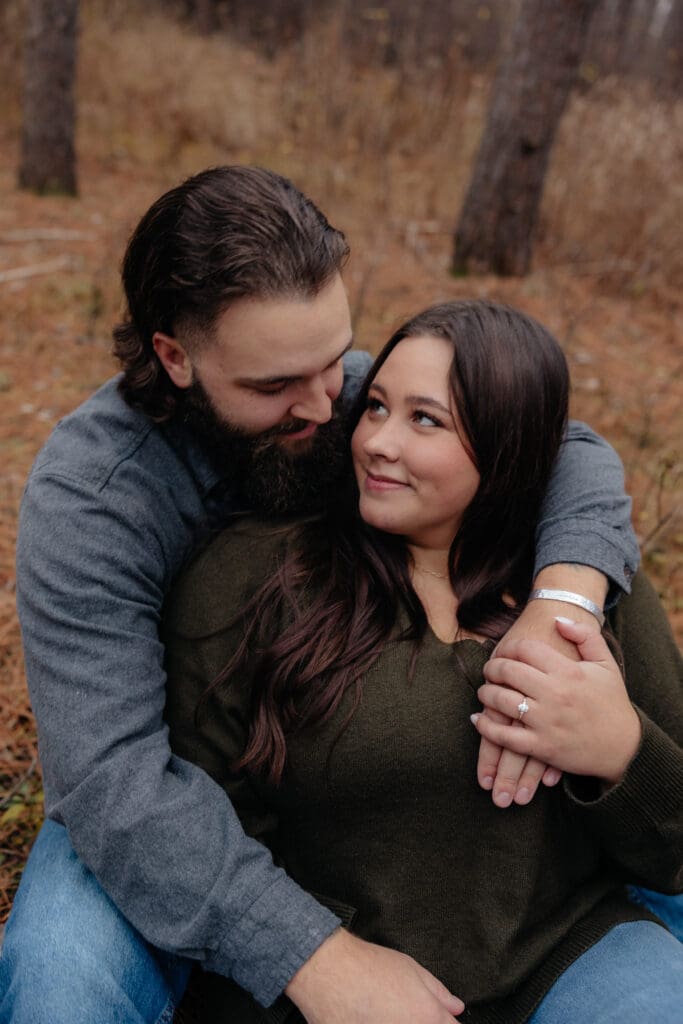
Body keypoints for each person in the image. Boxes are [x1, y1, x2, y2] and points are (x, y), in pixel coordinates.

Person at [0, 166, 645, 1024]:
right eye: (274, 387)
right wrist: (314, 955)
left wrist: (560, 605)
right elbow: (115, 782)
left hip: (329, 779)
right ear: (174, 356)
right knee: (57, 980)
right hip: (153, 790)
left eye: (333, 360)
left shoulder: (341, 393)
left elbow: (564, 443)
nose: (328, 407)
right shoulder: (92, 501)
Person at [163, 299, 683, 1024]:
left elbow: (673, 853)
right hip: (335, 980)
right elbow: (201, 826)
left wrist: (620, 749)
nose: (377, 441)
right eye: (374, 407)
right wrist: (315, 962)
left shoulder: (585, 596)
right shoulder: (254, 578)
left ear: (507, 447)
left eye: (424, 420)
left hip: (564, 956)